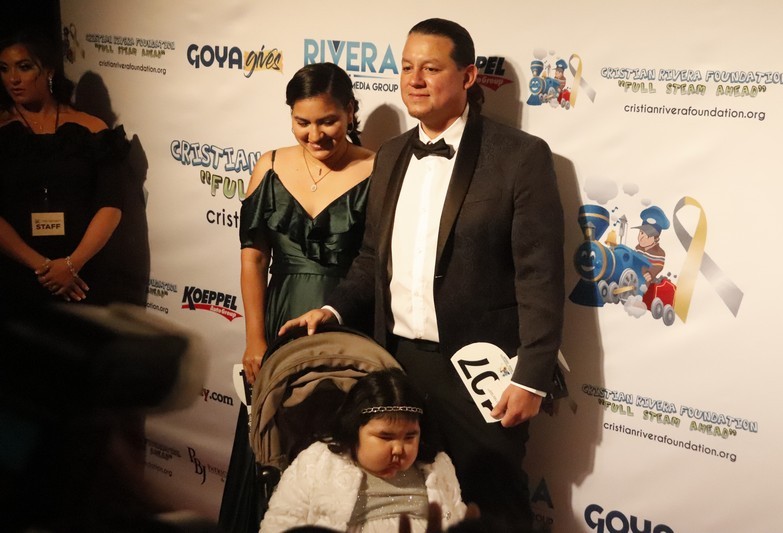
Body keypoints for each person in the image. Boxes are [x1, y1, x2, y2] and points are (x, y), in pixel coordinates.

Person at [280, 18, 565, 531]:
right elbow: (371, 259)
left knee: (495, 508)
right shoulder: (390, 155)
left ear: (468, 76)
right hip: (398, 365)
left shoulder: (520, 157)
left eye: (431, 68)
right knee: (413, 507)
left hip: (481, 372)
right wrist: (332, 309)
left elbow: (539, 277)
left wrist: (532, 377)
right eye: (407, 67)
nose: (414, 80)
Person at [219, 62, 374, 533]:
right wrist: (254, 339)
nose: (315, 134)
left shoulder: (378, 167)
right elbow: (253, 259)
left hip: (347, 323)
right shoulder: (268, 164)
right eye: (302, 121)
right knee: (272, 434)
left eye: (328, 121)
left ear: (350, 111)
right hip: (281, 318)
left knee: (336, 442)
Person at [0, 29, 131, 308]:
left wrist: (72, 265)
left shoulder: (92, 129)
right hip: (16, 275)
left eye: (24, 67)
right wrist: (44, 268)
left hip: (81, 276)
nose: (13, 79)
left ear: (48, 70)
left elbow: (111, 204)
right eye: (4, 69)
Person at [261, 368, 466, 532]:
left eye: (410, 437)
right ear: (354, 429)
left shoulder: (436, 468)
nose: (398, 449)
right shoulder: (317, 463)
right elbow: (281, 522)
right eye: (385, 437)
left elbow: (458, 517)